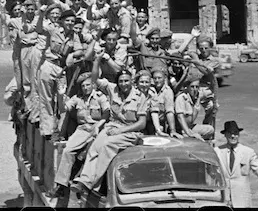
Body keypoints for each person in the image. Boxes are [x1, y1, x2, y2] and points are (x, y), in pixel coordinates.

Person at [70, 54, 148, 198]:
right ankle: (84, 180)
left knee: (107, 146)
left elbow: (141, 123)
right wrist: (97, 60)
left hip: (130, 132)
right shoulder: (113, 89)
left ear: (132, 81)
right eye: (121, 81)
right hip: (112, 127)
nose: (124, 84)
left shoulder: (139, 97)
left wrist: (121, 130)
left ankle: (91, 184)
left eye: (126, 81)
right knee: (95, 147)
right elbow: (94, 80)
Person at [48, 72, 110, 198]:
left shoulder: (100, 97)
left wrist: (99, 126)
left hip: (98, 128)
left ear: (93, 85)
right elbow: (64, 109)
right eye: (83, 86)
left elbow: (107, 113)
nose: (85, 88)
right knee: (67, 151)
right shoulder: (77, 98)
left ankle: (87, 183)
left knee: (93, 151)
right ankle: (61, 185)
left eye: (87, 85)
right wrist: (60, 96)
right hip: (82, 130)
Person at [36, 7, 85, 138]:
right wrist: (41, 15)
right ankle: (47, 130)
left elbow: (80, 50)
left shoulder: (74, 35)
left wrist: (72, 54)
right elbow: (39, 29)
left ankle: (60, 130)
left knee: (62, 100)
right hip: (49, 66)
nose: (70, 23)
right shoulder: (53, 30)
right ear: (62, 21)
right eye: (68, 20)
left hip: (62, 70)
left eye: (73, 21)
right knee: (46, 98)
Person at [215, 120, 258, 208]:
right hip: (222, 199)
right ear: (225, 135)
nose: (233, 136)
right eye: (230, 133)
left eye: (235, 133)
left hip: (242, 200)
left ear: (239, 134)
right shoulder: (217, 151)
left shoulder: (248, 152)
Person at [149, 68, 180, 137]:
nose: (157, 80)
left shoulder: (168, 91)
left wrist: (172, 130)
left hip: (160, 123)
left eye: (159, 78)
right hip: (147, 122)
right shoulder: (149, 89)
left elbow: (169, 111)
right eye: (155, 78)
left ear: (165, 78)